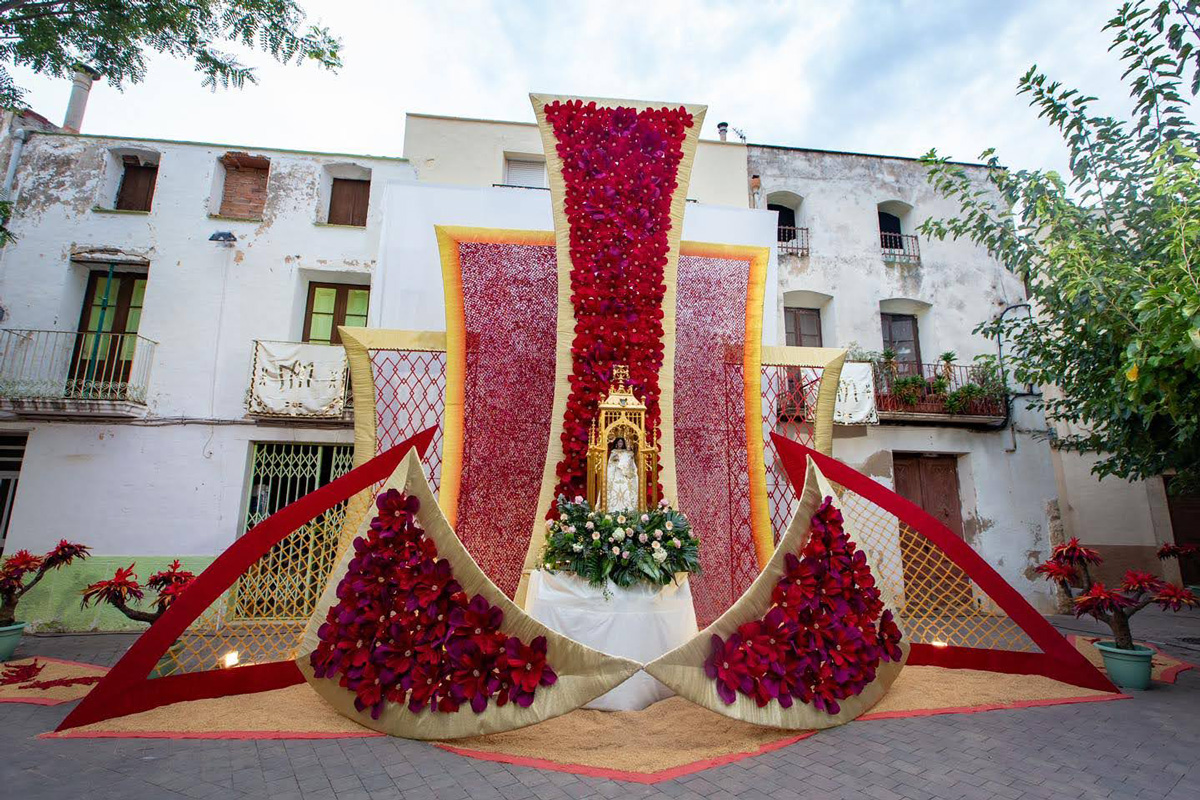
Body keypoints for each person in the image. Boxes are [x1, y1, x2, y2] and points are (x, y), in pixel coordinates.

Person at [606, 437, 639, 511]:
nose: (620, 444)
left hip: (624, 475)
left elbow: (630, 464)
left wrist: (630, 459)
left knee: (626, 491)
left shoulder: (627, 453)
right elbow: (610, 464)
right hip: (616, 474)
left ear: (623, 443)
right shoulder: (613, 452)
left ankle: (627, 510)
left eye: (621, 442)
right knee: (614, 491)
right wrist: (615, 462)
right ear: (616, 444)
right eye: (619, 442)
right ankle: (613, 510)